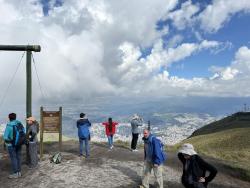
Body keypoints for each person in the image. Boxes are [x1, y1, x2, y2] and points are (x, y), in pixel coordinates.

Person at [3, 113, 24, 178]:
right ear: (15, 117)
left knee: (13, 158)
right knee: (18, 157)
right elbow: (23, 132)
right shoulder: (19, 123)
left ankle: (15, 173)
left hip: (11, 145)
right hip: (19, 143)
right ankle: (19, 172)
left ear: (9, 118)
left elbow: (5, 137)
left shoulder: (9, 125)